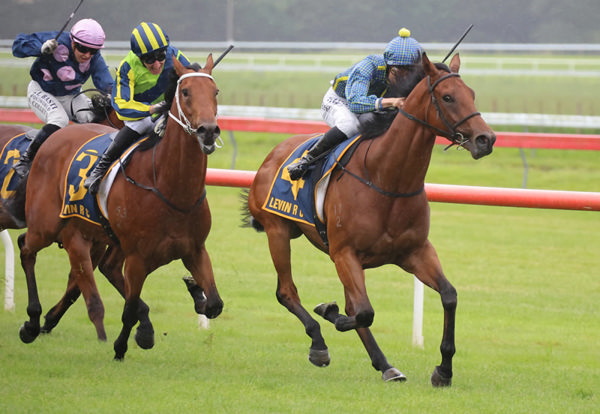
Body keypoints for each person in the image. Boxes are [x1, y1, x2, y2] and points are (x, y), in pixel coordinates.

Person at [287, 28, 423, 180]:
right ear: (388, 65)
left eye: (409, 73)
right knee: (349, 125)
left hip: (372, 104)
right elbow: (356, 104)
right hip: (342, 100)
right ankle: (306, 160)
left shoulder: (407, 75)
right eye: (398, 72)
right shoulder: (368, 66)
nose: (403, 79)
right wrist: (392, 101)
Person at [84, 21, 191, 195]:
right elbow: (121, 104)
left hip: (167, 107)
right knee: (141, 125)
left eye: (161, 56)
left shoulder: (174, 54)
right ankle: (99, 170)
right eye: (149, 59)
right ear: (139, 57)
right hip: (138, 112)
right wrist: (152, 109)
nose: (157, 64)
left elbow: (190, 76)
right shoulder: (128, 66)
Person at [11, 18, 113, 177]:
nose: (87, 55)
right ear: (73, 42)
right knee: (59, 120)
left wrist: (114, 94)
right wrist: (40, 48)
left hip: (71, 95)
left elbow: (106, 83)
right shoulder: (57, 40)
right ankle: (26, 160)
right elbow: (17, 46)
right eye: (83, 48)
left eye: (93, 51)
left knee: (93, 118)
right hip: (42, 91)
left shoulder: (95, 58)